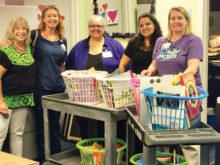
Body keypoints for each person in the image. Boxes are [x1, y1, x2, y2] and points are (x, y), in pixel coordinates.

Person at [141, 6, 203, 165]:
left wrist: (178, 80)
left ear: (186, 21)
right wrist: (149, 71)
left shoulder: (193, 40)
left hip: (187, 95)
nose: (175, 21)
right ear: (168, 22)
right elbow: (155, 63)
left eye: (179, 18)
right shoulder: (162, 41)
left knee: (189, 139)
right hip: (163, 94)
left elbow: (192, 67)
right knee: (163, 136)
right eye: (172, 18)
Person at [65, 15, 125, 140]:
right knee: (86, 130)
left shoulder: (115, 46)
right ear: (88, 28)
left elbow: (126, 66)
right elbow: (69, 67)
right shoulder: (78, 48)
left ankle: (108, 156)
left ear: (104, 28)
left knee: (108, 131)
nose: (95, 28)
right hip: (84, 98)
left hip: (108, 98)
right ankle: (90, 155)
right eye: (92, 26)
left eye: (99, 26)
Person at [31, 5, 67, 165]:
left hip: (58, 87)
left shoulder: (62, 39)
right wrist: (5, 43)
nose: (53, 19)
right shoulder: (35, 36)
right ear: (43, 18)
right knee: (42, 125)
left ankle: (57, 157)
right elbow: (17, 42)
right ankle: (43, 159)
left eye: (55, 16)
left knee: (55, 126)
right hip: (42, 88)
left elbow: (62, 65)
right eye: (49, 16)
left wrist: (66, 83)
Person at [0, 17, 35, 157]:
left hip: (24, 100)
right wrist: (0, 101)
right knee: (1, 134)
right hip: (6, 101)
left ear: (27, 31)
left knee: (17, 134)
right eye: (17, 29)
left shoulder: (28, 48)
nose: (21, 32)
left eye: (24, 29)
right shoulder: (5, 50)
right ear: (12, 31)